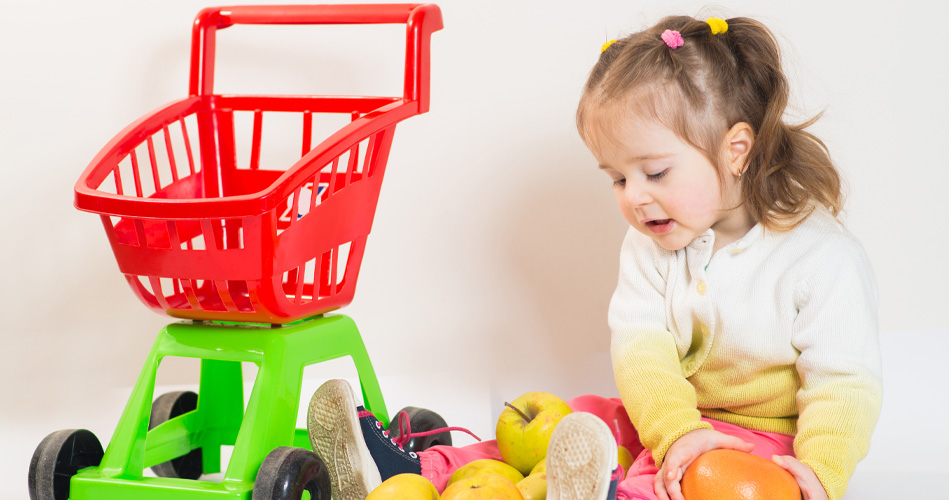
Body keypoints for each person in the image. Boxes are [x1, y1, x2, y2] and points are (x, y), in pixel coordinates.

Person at [307, 14, 881, 500]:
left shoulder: (820, 257)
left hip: (763, 446)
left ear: (736, 150)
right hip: (667, 418)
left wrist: (821, 475)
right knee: (579, 418)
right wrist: (677, 429)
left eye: (654, 172)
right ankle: (414, 473)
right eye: (617, 178)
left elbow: (843, 384)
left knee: (685, 480)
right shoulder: (653, 244)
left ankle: (606, 490)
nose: (634, 196)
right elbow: (642, 351)